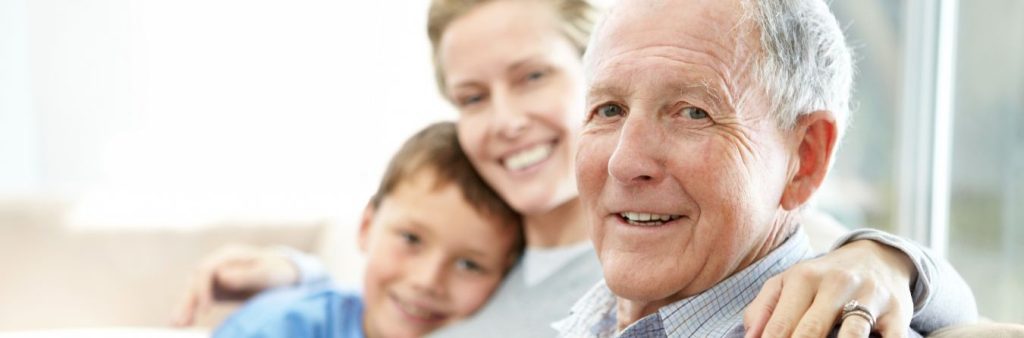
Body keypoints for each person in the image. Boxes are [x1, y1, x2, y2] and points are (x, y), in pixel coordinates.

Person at [173, 0, 977, 337]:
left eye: (531, 79)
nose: (506, 121)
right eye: (471, 96)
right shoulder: (489, 245)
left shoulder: (716, 258)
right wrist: (297, 270)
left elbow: (831, 260)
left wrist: (892, 262)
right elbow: (388, 301)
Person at [554, 0, 977, 337]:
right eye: (609, 109)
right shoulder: (587, 315)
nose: (624, 162)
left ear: (805, 159)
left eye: (694, 113)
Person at [210, 122, 523, 337]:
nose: (428, 280)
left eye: (469, 264)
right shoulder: (273, 328)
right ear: (366, 226)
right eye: (411, 239)